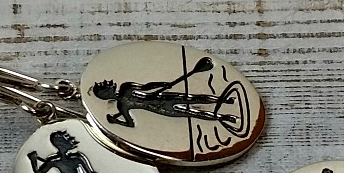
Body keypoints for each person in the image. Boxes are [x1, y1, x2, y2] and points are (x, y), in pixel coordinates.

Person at [90, 56, 236, 127]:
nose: (108, 84)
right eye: (105, 87)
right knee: (193, 113)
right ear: (106, 95)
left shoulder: (126, 88)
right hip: (161, 108)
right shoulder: (122, 105)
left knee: (194, 99)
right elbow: (131, 124)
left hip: (162, 97)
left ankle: (224, 100)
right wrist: (116, 121)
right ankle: (224, 117)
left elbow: (146, 87)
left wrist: (162, 84)